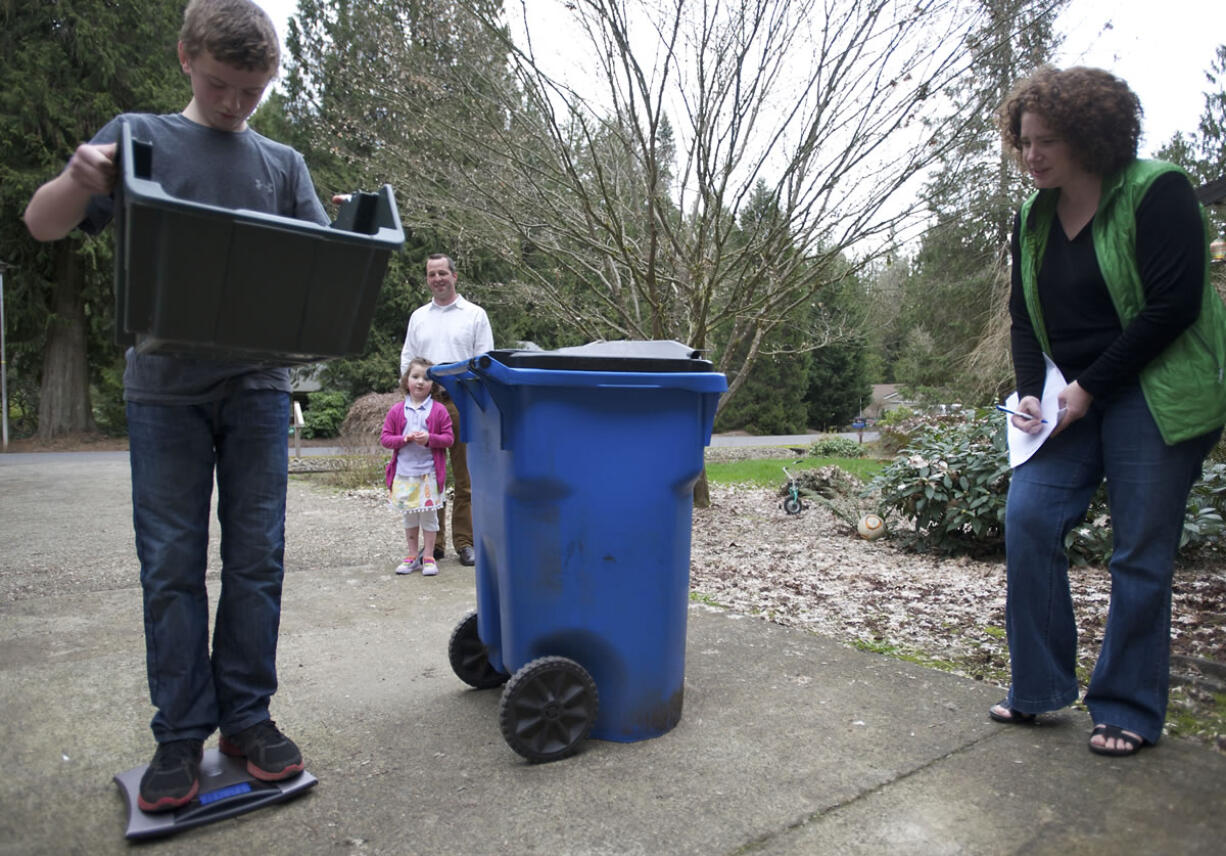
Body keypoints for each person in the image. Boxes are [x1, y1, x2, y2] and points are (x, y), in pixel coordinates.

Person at [23, 0, 332, 812]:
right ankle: (178, 736)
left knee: (258, 558)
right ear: (186, 57)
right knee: (170, 566)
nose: (235, 105)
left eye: (252, 92)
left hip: (260, 386)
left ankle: (248, 721)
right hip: (163, 389)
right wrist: (75, 178)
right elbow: (42, 224)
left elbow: (320, 275)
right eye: (222, 85)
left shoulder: (282, 164)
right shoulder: (138, 136)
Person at [989, 66, 1226, 757]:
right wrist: (1031, 389)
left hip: (1156, 391)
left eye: (1048, 141)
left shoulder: (1159, 192)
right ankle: (1038, 687)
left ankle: (1126, 705)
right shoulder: (1032, 215)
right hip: (1071, 394)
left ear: (1092, 135)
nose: (1032, 155)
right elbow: (1025, 317)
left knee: (1140, 552)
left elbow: (1172, 308)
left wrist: (1090, 387)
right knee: (1030, 517)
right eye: (1025, 141)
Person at [399, 253, 494, 567]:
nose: (437, 279)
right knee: (429, 476)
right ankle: (433, 546)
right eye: (431, 274)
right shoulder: (418, 317)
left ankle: (465, 543)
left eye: (442, 273)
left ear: (454, 276)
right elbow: (407, 359)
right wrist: (408, 401)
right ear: (427, 279)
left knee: (465, 478)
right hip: (426, 405)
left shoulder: (474, 315)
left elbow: (486, 361)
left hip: (463, 402)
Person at [381, 358, 454, 576]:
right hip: (404, 475)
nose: (420, 382)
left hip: (428, 475)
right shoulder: (396, 411)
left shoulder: (439, 410)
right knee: (410, 516)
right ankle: (412, 555)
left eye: (426, 378)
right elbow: (385, 439)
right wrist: (404, 439)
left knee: (429, 517)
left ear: (434, 384)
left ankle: (429, 556)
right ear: (406, 381)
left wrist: (430, 438)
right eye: (415, 377)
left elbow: (449, 438)